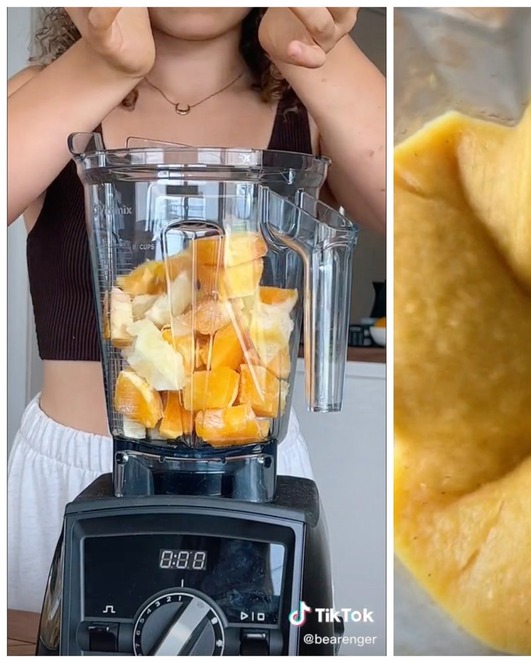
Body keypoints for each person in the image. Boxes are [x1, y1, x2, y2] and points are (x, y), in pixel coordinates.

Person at [7, 7, 386, 612]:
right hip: (69, 473)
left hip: (254, 476)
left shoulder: (308, 113)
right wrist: (104, 60)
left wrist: (315, 54)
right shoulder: (46, 94)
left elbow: (422, 207)